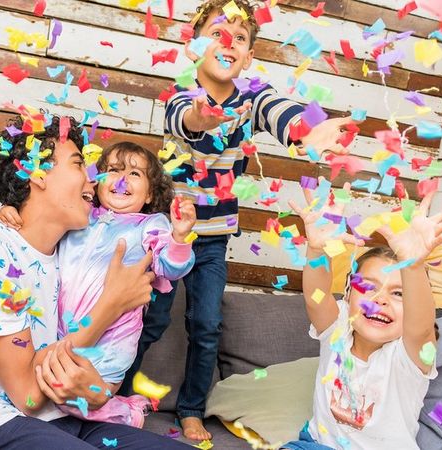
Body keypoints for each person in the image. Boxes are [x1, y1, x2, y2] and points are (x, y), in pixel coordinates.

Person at [122, 0, 360, 440]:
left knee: (206, 326)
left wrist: (308, 129)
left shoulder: (252, 97)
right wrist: (201, 116)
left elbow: (279, 110)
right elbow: (186, 119)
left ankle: (191, 408)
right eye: (216, 33)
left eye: (239, 38)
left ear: (248, 57)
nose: (228, 42)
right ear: (195, 46)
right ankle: (114, 394)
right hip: (166, 236)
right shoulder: (181, 93)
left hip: (212, 241)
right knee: (149, 321)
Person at [0, 110, 193, 449]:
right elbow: (28, 397)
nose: (93, 179)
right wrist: (111, 304)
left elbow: (100, 370)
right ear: (38, 174)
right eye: (78, 164)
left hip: (66, 418)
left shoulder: (65, 251)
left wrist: (97, 393)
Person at [0, 141, 196, 427]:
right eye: (113, 170)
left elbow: (171, 267)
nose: (122, 180)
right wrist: (10, 210)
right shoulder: (81, 217)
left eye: (135, 174)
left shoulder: (150, 225)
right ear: (97, 180)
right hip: (64, 330)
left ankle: (127, 412)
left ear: (151, 193)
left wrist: (179, 237)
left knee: (71, 395)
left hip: (113, 337)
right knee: (54, 386)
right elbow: (42, 226)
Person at [282, 180, 442, 449]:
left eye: (398, 293)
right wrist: (318, 249)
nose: (380, 300)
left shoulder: (408, 358)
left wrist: (413, 265)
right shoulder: (338, 330)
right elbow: (315, 298)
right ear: (348, 295)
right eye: (368, 287)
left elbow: (421, 329)